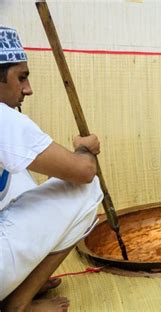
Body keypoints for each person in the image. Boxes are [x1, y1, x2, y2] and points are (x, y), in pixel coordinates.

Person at [0, 26, 103, 311]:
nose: (27, 89)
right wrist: (84, 147)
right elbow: (83, 171)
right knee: (85, 190)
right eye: (21, 78)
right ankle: (17, 303)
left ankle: (23, 276)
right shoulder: (3, 117)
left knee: (17, 173)